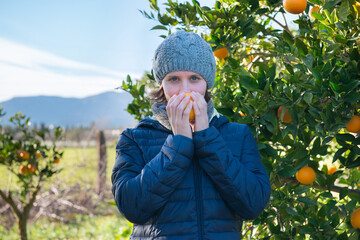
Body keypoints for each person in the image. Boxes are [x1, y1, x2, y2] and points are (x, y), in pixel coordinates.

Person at [111, 30, 271, 240]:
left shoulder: (237, 135)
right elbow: (132, 208)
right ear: (162, 85)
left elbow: (253, 204)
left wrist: (206, 138)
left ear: (207, 84)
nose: (184, 90)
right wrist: (178, 144)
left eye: (194, 78)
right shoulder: (135, 138)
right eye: (174, 79)